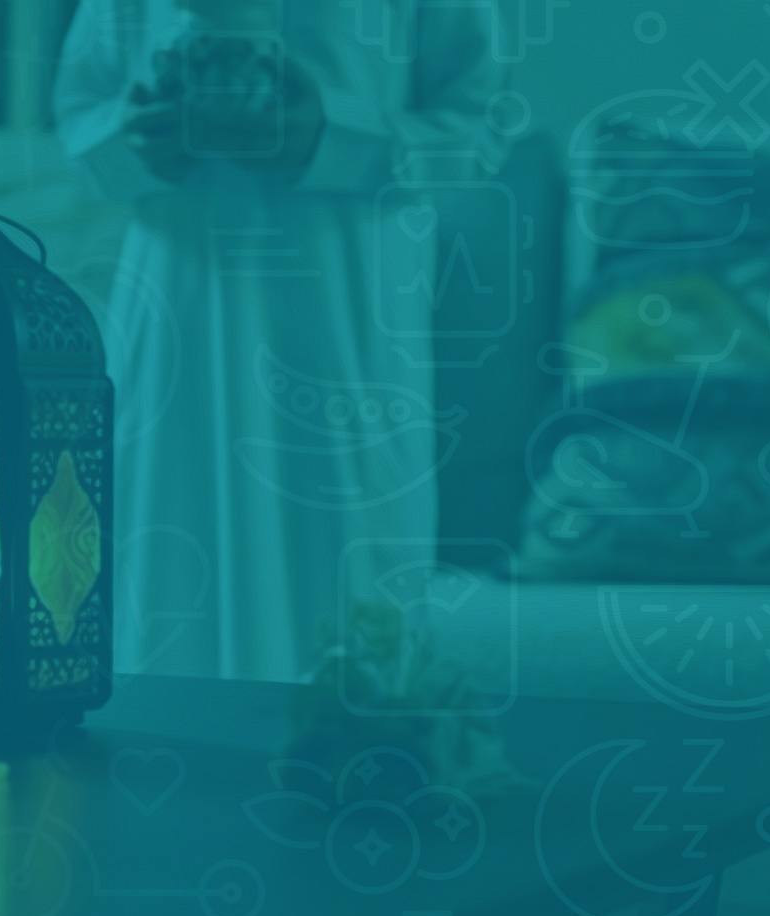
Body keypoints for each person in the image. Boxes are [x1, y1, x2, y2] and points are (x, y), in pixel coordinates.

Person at [54, 0, 502, 681]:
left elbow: (481, 129)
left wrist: (335, 136)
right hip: (177, 304)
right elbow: (81, 112)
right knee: (166, 564)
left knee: (349, 571)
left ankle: (351, 740)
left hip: (345, 315)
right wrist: (136, 136)